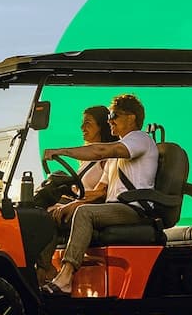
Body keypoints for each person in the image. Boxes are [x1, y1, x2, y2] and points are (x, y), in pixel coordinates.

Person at [41, 93, 156, 294]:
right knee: (51, 213)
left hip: (133, 209)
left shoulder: (139, 138)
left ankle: (66, 277)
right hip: (115, 206)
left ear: (132, 117)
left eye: (115, 115)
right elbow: (100, 190)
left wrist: (62, 151)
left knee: (85, 213)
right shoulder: (116, 154)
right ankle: (43, 271)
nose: (110, 120)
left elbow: (99, 151)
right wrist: (68, 204)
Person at [47, 105, 116, 226]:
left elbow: (101, 193)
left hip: (87, 206)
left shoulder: (108, 159)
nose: (82, 127)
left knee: (41, 216)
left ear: (101, 127)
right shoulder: (86, 161)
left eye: (88, 123)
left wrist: (74, 200)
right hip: (75, 200)